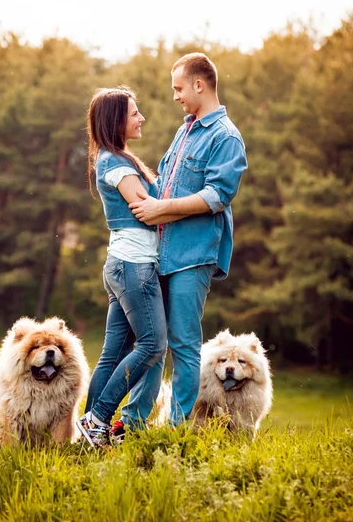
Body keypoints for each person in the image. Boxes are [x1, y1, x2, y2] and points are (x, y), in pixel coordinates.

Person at [118, 52, 247, 428]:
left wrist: (161, 209)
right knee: (152, 344)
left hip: (194, 256)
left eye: (178, 88)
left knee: (183, 346)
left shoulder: (226, 137)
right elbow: (166, 184)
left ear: (199, 85)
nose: (175, 96)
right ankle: (133, 424)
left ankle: (175, 430)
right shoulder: (185, 128)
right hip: (163, 251)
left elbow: (215, 196)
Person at [78, 86, 173, 447]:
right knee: (151, 345)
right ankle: (99, 418)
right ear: (115, 119)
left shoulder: (116, 158)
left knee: (114, 352)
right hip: (134, 266)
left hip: (122, 264)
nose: (141, 117)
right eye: (134, 112)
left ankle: (89, 432)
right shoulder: (114, 163)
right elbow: (148, 210)